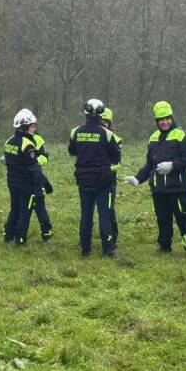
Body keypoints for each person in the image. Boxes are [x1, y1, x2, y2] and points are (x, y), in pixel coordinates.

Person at [124, 101, 186, 253]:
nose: (164, 122)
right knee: (163, 219)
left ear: (171, 117)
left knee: (184, 218)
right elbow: (149, 165)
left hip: (178, 188)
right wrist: (138, 179)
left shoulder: (182, 135)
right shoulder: (153, 138)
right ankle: (164, 246)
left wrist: (173, 165)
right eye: (161, 120)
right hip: (158, 189)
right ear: (157, 121)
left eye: (167, 118)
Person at [68, 98, 121, 258]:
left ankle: (85, 249)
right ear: (101, 114)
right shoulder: (108, 134)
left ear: (85, 113)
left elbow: (72, 151)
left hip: (83, 179)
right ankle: (108, 250)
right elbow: (115, 157)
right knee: (104, 215)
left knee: (86, 214)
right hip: (103, 180)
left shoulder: (75, 132)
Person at [3, 109, 50, 245]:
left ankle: (8, 236)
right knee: (25, 211)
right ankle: (20, 239)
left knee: (15, 209)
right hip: (26, 183)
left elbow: (7, 160)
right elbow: (33, 166)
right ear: (25, 127)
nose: (34, 129)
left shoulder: (8, 141)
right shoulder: (27, 144)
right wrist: (44, 182)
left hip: (12, 181)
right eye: (32, 126)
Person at [100, 107, 121, 245]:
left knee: (109, 210)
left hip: (109, 180)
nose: (104, 124)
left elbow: (118, 163)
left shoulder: (115, 139)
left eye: (106, 122)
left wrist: (106, 169)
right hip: (94, 179)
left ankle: (113, 237)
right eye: (101, 121)